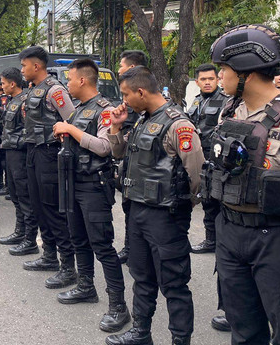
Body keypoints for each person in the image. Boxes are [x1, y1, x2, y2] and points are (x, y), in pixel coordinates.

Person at [207, 24, 280, 345]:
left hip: (278, 237)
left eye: (224, 69)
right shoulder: (231, 111)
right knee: (243, 330)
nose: (221, 77)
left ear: (245, 71)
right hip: (230, 232)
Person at [106, 66, 204, 345]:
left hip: (166, 216)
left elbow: (197, 173)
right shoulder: (140, 120)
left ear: (141, 91)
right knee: (142, 276)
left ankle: (180, 339)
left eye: (126, 95)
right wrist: (115, 126)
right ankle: (141, 332)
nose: (123, 101)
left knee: (174, 283)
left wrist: (183, 207)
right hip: (137, 211)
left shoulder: (177, 124)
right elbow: (118, 153)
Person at [52, 58, 130, 332]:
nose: (67, 84)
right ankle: (85, 286)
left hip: (93, 186)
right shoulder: (78, 110)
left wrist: (69, 129)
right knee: (78, 239)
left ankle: (118, 306)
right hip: (73, 183)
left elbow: (104, 146)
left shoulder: (104, 110)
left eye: (70, 79)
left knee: (102, 246)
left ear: (82, 80)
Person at [20, 46, 77, 289]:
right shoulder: (34, 89)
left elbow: (73, 119)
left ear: (36, 66)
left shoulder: (55, 90)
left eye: (24, 65)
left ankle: (68, 267)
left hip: (50, 154)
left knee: (53, 209)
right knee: (39, 206)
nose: (21, 70)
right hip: (33, 151)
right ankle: (49, 256)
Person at [187, 64, 230, 254]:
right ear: (197, 81)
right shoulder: (196, 101)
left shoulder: (226, 101)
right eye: (203, 79)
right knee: (206, 200)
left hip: (217, 159)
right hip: (200, 158)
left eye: (211, 79)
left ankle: (224, 243)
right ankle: (211, 240)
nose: (207, 82)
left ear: (218, 80)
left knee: (219, 201)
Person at [0, 67, 39, 255]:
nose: (2, 86)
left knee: (24, 197)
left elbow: (29, 131)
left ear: (13, 83)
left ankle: (30, 239)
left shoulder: (25, 102)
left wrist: (13, 142)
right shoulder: (12, 101)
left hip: (20, 155)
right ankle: (19, 232)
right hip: (10, 152)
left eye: (4, 83)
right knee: (14, 194)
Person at [115, 50, 148, 265]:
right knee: (129, 207)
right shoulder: (129, 96)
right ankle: (131, 247)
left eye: (121, 65)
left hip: (146, 166)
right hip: (129, 158)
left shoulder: (144, 93)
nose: (119, 70)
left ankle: (138, 249)